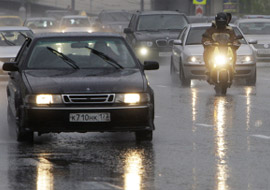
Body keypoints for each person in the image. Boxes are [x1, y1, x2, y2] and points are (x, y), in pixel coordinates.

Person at [202, 12, 240, 77]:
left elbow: (234, 38)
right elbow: (205, 37)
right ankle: (208, 68)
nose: (221, 24)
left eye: (222, 22)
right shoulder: (211, 30)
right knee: (206, 51)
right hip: (214, 49)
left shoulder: (229, 30)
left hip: (226, 48)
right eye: (219, 22)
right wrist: (207, 42)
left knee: (233, 52)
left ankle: (233, 67)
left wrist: (235, 42)